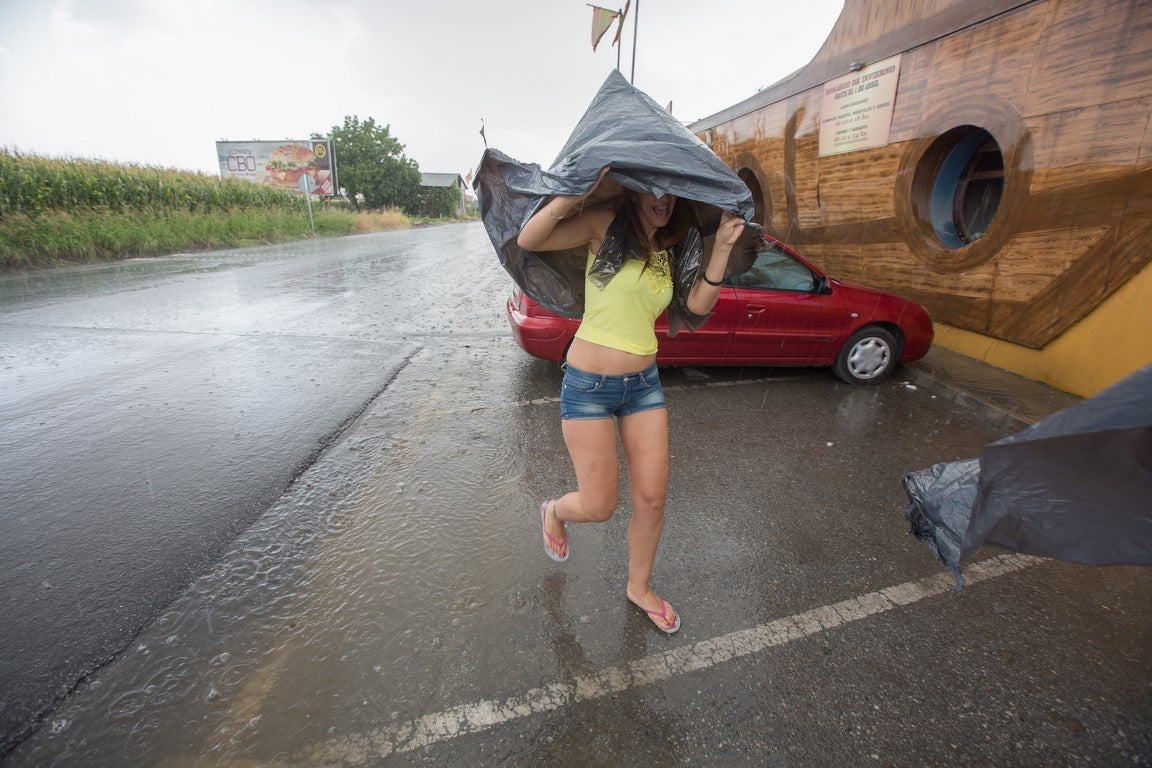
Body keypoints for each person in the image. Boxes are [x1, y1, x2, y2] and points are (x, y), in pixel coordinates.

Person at [517, 167, 745, 634]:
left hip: (643, 384)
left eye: (670, 192)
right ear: (636, 189)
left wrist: (720, 246)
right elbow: (530, 240)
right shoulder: (605, 223)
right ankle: (556, 511)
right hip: (588, 388)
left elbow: (697, 306)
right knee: (599, 506)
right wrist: (568, 196)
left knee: (652, 498)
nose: (662, 199)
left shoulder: (671, 245)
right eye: (653, 189)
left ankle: (639, 588)